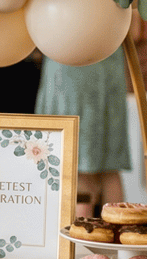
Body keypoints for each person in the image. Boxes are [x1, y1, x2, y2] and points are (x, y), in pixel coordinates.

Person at [34, 48, 131, 218]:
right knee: (109, 169)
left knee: (77, 168)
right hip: (108, 67)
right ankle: (117, 238)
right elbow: (134, 32)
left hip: (70, 64)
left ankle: (81, 238)